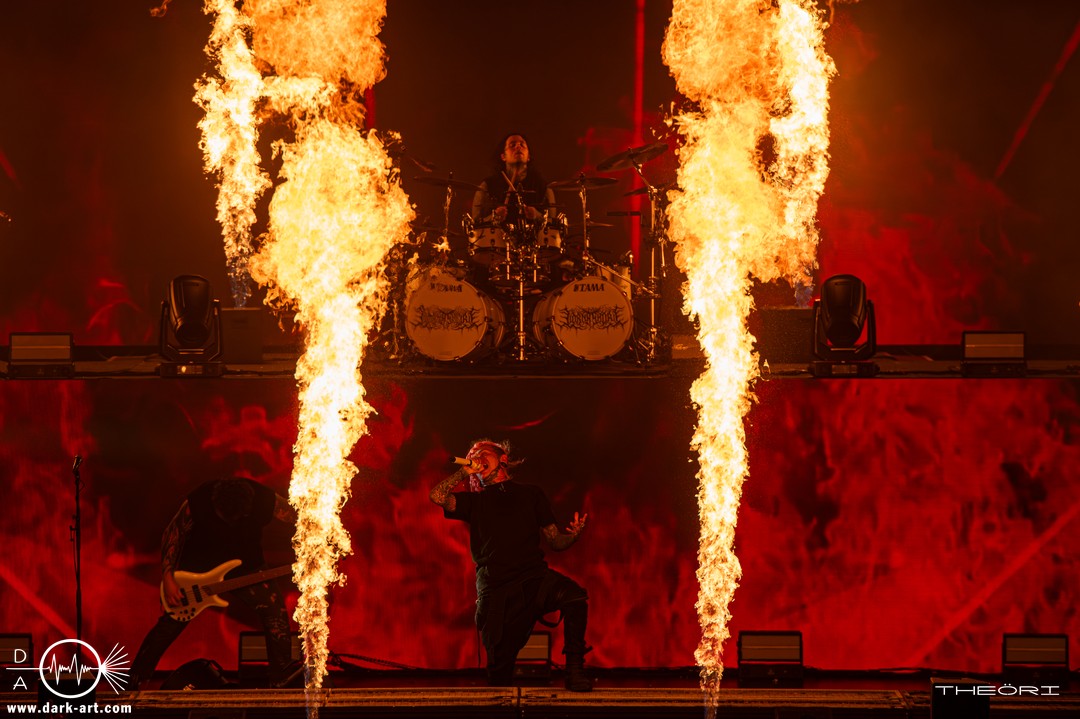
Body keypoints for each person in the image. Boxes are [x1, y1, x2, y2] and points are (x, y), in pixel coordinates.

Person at [430, 439, 593, 691]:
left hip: (533, 579)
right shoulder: (476, 502)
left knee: (574, 597)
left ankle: (574, 670)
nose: (476, 457)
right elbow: (437, 496)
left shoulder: (531, 494)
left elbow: (555, 541)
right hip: (496, 590)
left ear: (503, 458)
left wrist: (572, 536)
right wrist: (463, 472)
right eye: (472, 454)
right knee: (499, 674)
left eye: (482, 453)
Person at [129, 477, 300, 689]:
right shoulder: (199, 501)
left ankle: (281, 677)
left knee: (275, 613)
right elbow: (173, 533)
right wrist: (168, 576)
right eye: (224, 517)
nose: (230, 522)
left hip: (247, 567)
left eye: (236, 518)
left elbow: (296, 517)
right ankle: (135, 679)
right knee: (170, 622)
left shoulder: (264, 499)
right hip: (199, 569)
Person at [471, 133, 556, 228]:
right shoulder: (488, 186)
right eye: (512, 145)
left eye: (522, 145)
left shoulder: (543, 186)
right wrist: (493, 217)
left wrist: (537, 216)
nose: (518, 147)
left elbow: (553, 225)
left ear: (528, 156)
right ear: (503, 156)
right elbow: (475, 224)